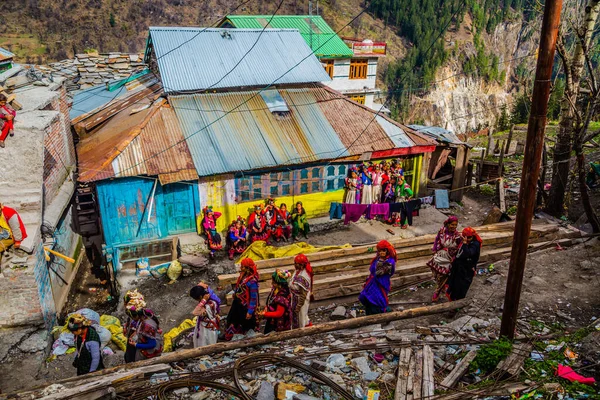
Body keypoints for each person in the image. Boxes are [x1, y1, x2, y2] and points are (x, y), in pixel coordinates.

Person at [427, 216, 462, 302]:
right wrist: (434, 249)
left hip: (449, 259)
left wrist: (454, 258)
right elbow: (437, 239)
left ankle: (437, 292)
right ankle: (442, 287)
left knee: (442, 275)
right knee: (435, 272)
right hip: (440, 255)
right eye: (452, 225)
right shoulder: (442, 231)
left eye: (455, 225)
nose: (454, 227)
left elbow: (460, 248)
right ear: (448, 224)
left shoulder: (457, 236)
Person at [225, 258, 259, 340]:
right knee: (231, 318)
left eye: (243, 267)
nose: (241, 268)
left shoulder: (252, 282)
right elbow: (239, 286)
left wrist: (250, 311)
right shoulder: (243, 276)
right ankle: (230, 335)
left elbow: (253, 298)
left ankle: (245, 339)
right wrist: (235, 293)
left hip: (245, 307)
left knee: (245, 322)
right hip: (237, 303)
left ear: (248, 268)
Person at [358, 240, 397, 315]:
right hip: (372, 282)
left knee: (377, 299)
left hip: (381, 284)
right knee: (366, 296)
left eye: (383, 250)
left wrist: (380, 262)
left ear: (387, 251)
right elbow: (372, 269)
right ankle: (369, 315)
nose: (381, 252)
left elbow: (378, 272)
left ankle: (381, 315)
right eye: (380, 250)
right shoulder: (377, 258)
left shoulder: (390, 262)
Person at [446, 227, 482, 301]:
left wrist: (465, 244)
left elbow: (468, 253)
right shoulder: (464, 240)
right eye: (465, 237)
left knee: (462, 286)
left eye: (469, 237)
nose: (467, 239)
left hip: (467, 269)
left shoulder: (475, 244)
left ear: (473, 236)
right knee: (455, 284)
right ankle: (452, 299)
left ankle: (458, 302)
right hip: (459, 267)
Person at [259, 269, 292, 334]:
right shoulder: (275, 289)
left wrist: (265, 314)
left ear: (279, 284)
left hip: (278, 323)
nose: (272, 284)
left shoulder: (282, 297)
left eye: (274, 282)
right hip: (272, 318)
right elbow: (270, 299)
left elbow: (279, 313)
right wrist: (266, 307)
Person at [190, 282, 221, 347]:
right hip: (212, 324)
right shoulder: (213, 299)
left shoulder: (206, 306)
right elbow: (202, 284)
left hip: (206, 327)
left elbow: (195, 312)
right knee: (211, 339)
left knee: (205, 341)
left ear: (201, 297)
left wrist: (203, 300)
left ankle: (205, 352)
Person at [290, 254, 314, 329]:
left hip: (299, 299)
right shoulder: (298, 271)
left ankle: (301, 330)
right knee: (301, 316)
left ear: (301, 264)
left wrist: (298, 306)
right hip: (294, 297)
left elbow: (303, 294)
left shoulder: (304, 276)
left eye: (295, 263)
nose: (294, 265)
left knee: (301, 316)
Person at [122, 289, 145, 363]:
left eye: (125, 303)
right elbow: (129, 318)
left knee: (133, 351)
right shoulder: (129, 311)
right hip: (132, 330)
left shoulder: (138, 312)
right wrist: (125, 326)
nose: (124, 304)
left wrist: (135, 332)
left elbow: (142, 323)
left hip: (137, 333)